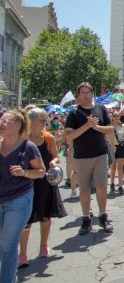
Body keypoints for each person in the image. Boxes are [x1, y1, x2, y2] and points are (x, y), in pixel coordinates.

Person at [0, 109, 46, 282]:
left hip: (19, 200)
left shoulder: (28, 147)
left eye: (6, 121)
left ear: (18, 124)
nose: (1, 123)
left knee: (9, 246)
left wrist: (24, 172)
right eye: (1, 120)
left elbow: (41, 172)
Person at [18, 108, 67, 267]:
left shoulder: (48, 137)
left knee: (45, 214)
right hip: (26, 181)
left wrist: (54, 162)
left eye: (45, 119)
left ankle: (43, 246)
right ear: (30, 121)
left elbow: (56, 156)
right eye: (41, 119)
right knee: (26, 219)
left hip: (45, 180)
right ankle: (22, 254)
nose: (45, 122)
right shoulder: (22, 138)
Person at [64, 82, 114, 235]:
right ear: (79, 95)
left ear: (92, 93)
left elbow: (111, 129)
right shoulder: (74, 113)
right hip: (81, 156)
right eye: (82, 93)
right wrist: (87, 125)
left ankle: (103, 215)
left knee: (101, 187)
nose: (85, 95)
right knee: (84, 189)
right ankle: (86, 219)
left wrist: (96, 127)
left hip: (100, 154)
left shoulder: (101, 108)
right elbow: (69, 136)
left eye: (88, 92)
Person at [109, 111, 124, 195]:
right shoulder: (110, 126)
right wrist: (112, 146)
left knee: (120, 167)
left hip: (121, 147)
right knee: (113, 166)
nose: (116, 117)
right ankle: (112, 183)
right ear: (112, 117)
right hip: (113, 147)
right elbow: (109, 138)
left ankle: (120, 186)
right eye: (114, 115)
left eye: (117, 115)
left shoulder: (123, 126)